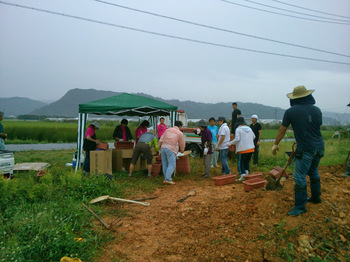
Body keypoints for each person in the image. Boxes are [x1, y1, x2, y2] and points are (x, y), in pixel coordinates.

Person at [272, 85, 324, 216]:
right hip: (319, 147)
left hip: (306, 149)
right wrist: (301, 138)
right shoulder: (317, 110)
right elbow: (317, 128)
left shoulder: (291, 111)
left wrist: (275, 144)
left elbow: (282, 130)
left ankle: (300, 207)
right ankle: (316, 198)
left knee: (299, 176)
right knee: (313, 171)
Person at [159, 121, 185, 185]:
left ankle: (166, 178)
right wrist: (182, 150)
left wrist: (159, 147)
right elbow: (182, 143)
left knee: (165, 163)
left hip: (163, 148)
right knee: (172, 164)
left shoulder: (167, 130)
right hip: (171, 149)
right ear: (180, 126)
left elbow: (161, 140)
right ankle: (168, 179)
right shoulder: (179, 133)